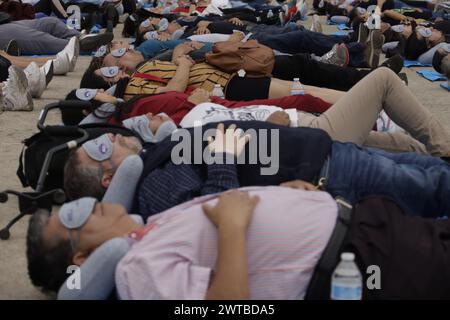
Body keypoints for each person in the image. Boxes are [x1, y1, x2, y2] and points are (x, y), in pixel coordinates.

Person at [26, 187, 450, 299]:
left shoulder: (147, 228)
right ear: (80, 257)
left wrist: (293, 196)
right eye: (74, 218)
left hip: (366, 227)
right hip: (364, 264)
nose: (90, 205)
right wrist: (232, 226)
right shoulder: (136, 270)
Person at [0, 17, 113, 55]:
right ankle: (79, 45)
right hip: (4, 31)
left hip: (7, 23)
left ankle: (81, 37)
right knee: (42, 39)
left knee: (51, 22)